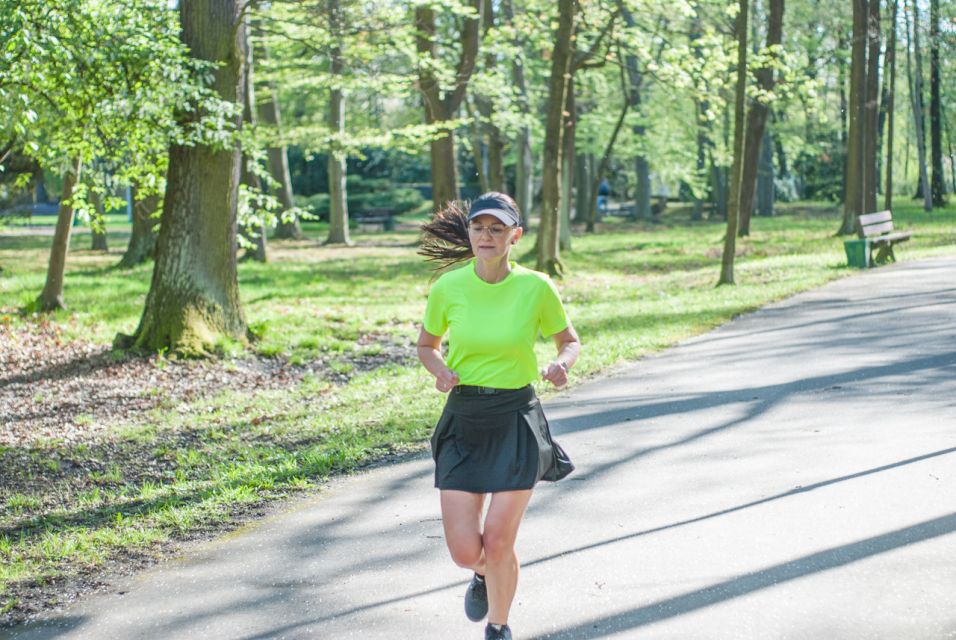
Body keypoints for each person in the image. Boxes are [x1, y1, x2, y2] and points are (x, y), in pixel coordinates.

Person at [417, 192, 581, 640]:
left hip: (515, 417)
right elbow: (426, 346)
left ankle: (499, 625)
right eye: (478, 228)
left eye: (496, 228)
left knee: (500, 538)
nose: (485, 236)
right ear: (468, 233)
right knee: (466, 550)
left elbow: (569, 339)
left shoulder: (537, 287)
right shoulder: (449, 287)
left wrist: (561, 365)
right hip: (464, 417)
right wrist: (440, 370)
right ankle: (485, 574)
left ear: (515, 235)